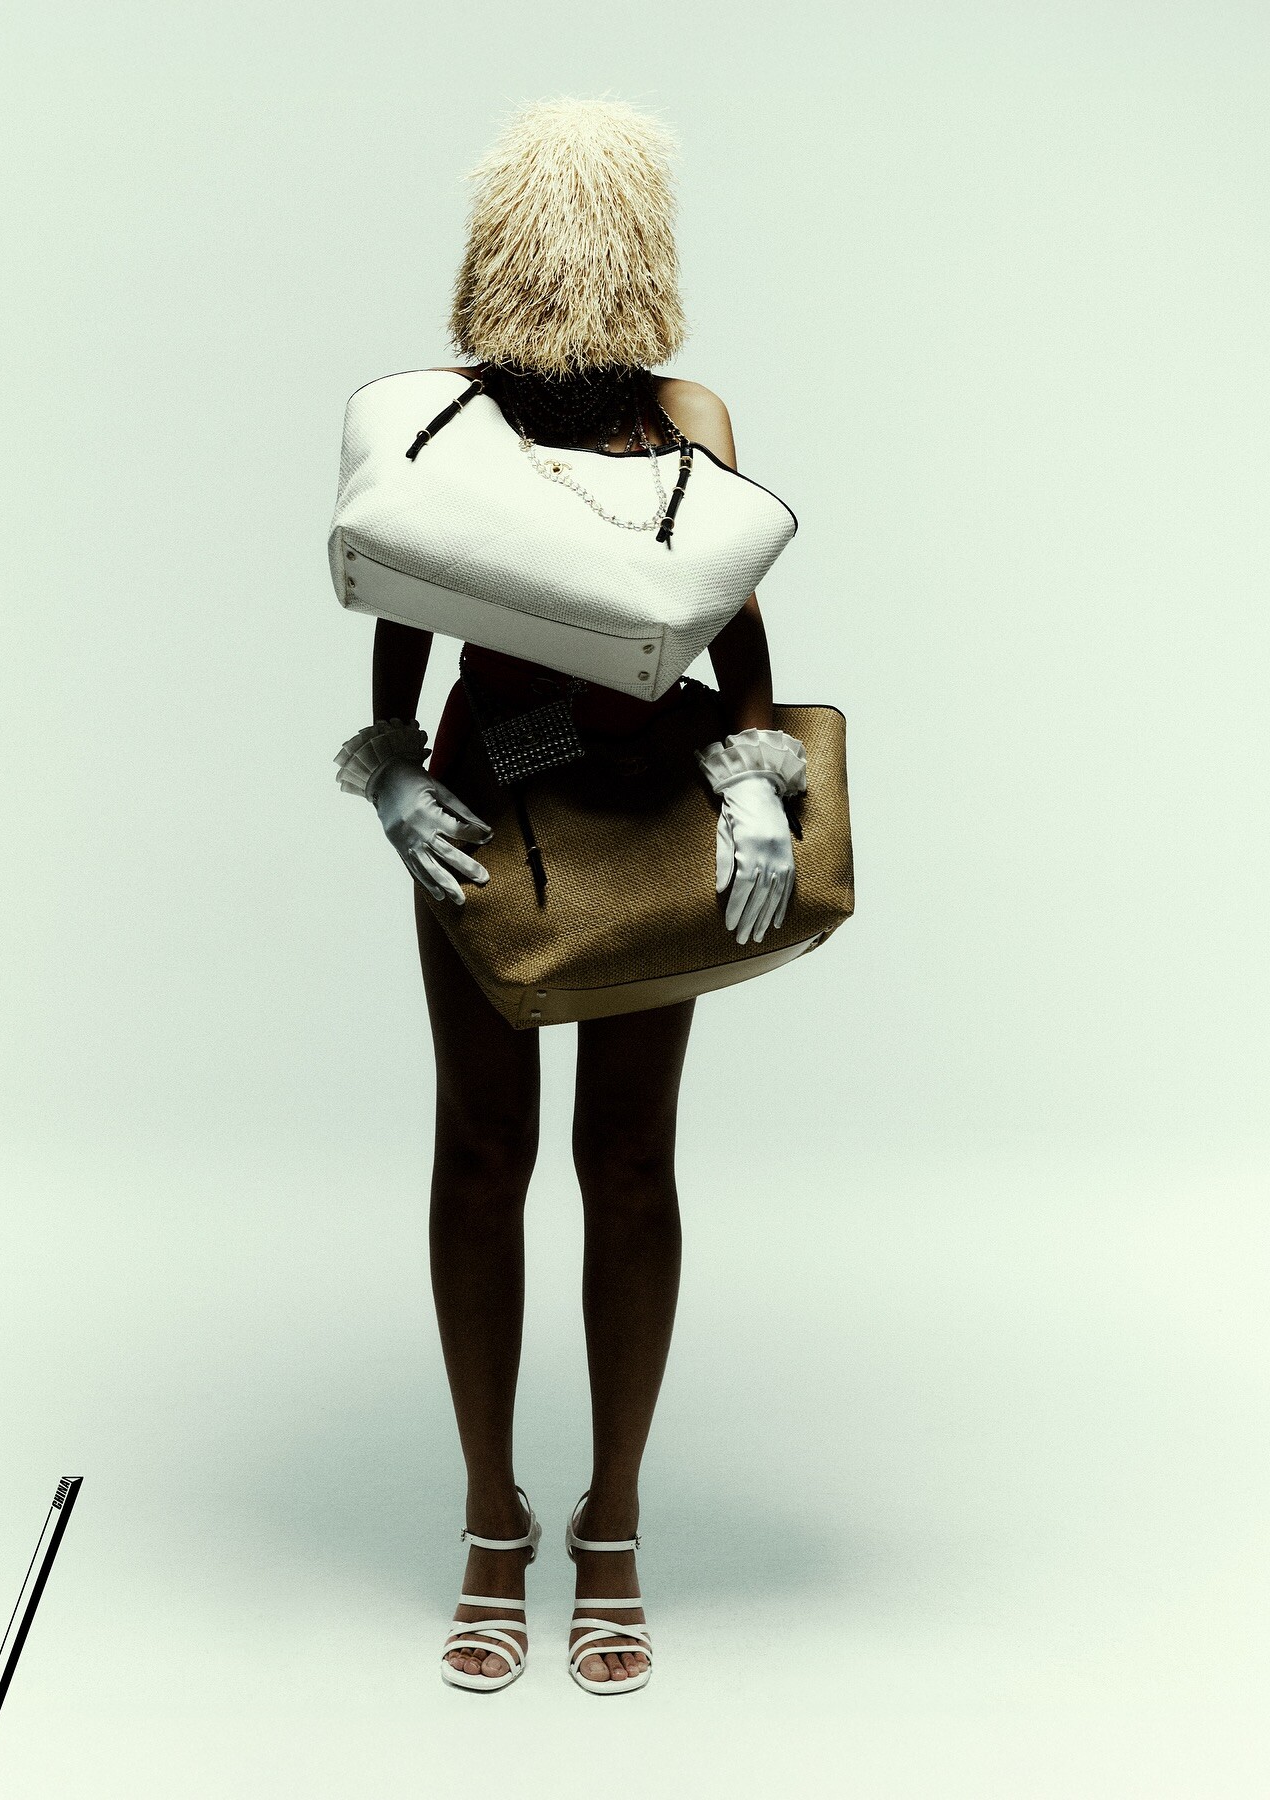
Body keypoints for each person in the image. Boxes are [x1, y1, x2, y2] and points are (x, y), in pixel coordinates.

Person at [333, 99, 806, 1693]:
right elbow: (401, 602)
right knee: (481, 1152)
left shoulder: (686, 415)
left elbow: (738, 619)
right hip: (489, 790)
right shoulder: (444, 420)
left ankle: (613, 1524)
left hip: (651, 788)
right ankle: (491, 1515)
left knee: (630, 1158)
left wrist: (754, 776)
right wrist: (391, 771)